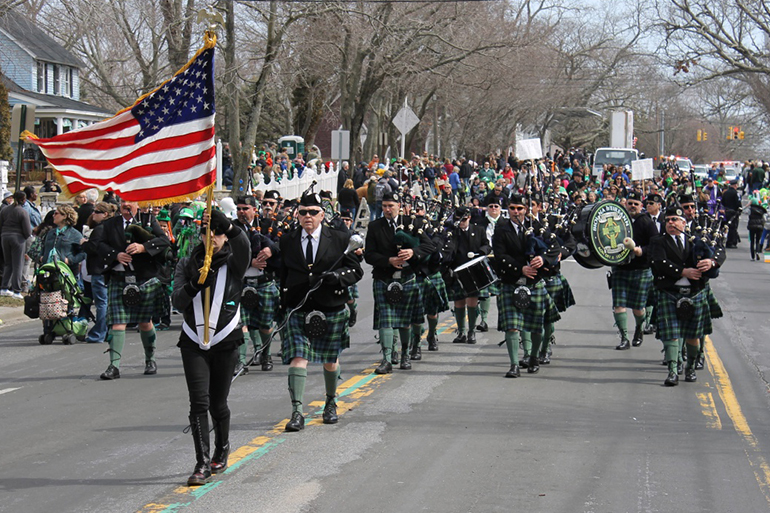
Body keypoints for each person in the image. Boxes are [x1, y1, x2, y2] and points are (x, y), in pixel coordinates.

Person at [172, 208, 249, 486]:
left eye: (216, 233)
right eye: (207, 232)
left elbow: (243, 245)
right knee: (199, 402)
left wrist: (228, 227)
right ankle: (201, 462)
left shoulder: (235, 262)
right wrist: (194, 284)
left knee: (218, 403)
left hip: (226, 340)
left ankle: (222, 446)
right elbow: (177, 301)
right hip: (193, 340)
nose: (212, 237)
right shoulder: (187, 262)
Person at [279, 192, 363, 432]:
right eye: (303, 212)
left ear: (322, 215)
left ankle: (330, 402)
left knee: (330, 360)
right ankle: (297, 412)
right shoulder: (288, 240)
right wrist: (282, 304)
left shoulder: (339, 238)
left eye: (313, 212)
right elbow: (283, 274)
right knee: (298, 358)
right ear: (298, 215)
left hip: (330, 306)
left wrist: (336, 277)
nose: (308, 217)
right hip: (299, 307)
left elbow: (356, 271)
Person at [91, 201, 170, 380]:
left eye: (130, 202)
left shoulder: (147, 220)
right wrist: (115, 255)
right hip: (119, 278)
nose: (126, 205)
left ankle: (150, 359)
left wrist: (143, 248)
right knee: (117, 323)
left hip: (143, 279)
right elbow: (98, 244)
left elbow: (164, 241)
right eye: (123, 201)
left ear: (137, 204)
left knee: (145, 322)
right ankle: (114, 366)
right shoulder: (110, 224)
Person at [649, 205, 719, 386]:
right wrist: (683, 272)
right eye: (668, 220)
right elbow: (659, 262)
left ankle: (690, 368)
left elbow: (719, 251)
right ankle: (673, 370)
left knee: (692, 335)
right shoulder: (658, 241)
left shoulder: (696, 240)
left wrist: (711, 261)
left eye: (675, 220)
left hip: (694, 293)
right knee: (671, 334)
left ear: (683, 222)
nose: (671, 223)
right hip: (670, 292)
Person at [365, 192, 434, 374]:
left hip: (407, 277)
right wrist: (388, 260)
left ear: (399, 206)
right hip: (383, 277)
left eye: (391, 206)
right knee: (385, 321)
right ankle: (387, 359)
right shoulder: (374, 226)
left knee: (405, 321)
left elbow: (430, 246)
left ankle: (405, 355)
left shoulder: (412, 223)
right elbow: (369, 254)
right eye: (385, 206)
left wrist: (413, 252)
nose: (387, 209)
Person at [493, 193, 560, 378]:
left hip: (534, 283)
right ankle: (514, 364)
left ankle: (533, 357)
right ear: (508, 209)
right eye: (513, 208)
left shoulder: (536, 227)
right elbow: (500, 255)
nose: (516, 212)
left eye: (520, 208)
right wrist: (520, 268)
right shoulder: (501, 229)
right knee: (512, 326)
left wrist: (543, 258)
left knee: (536, 325)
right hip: (511, 281)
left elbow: (555, 246)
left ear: (526, 210)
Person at [232, 195, 279, 375]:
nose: (242, 212)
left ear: (254, 210)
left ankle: (266, 355)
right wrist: (249, 262)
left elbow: (286, 242)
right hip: (241, 283)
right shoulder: (233, 228)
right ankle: (241, 362)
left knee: (266, 325)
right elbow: (225, 251)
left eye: (245, 208)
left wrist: (270, 249)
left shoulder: (269, 225)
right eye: (239, 208)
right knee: (240, 323)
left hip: (264, 282)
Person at [609, 191, 657, 350]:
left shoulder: (647, 223)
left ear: (641, 206)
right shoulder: (617, 220)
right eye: (630, 203)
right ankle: (624, 338)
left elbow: (655, 245)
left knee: (638, 307)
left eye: (636, 204)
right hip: (620, 269)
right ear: (625, 204)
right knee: (619, 305)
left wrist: (641, 251)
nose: (632, 206)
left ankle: (639, 329)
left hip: (640, 269)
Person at [446, 206, 491, 345]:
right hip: (457, 270)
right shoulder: (452, 232)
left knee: (472, 300)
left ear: (469, 218)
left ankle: (471, 331)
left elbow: (487, 245)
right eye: (458, 219)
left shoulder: (478, 230)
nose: (461, 222)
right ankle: (461, 332)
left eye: (464, 219)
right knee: (459, 301)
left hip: (473, 270)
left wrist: (481, 252)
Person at [80, 202, 117, 343]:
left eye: (96, 211)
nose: (93, 214)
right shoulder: (112, 228)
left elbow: (94, 248)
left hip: (99, 269)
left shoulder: (100, 229)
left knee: (102, 303)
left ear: (105, 214)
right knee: (106, 302)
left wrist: (84, 243)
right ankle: (107, 331)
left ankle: (99, 333)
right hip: (107, 269)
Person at [0, 191, 31, 298]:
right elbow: (27, 231)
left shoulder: (4, 210)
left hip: (5, 237)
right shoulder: (22, 212)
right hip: (18, 238)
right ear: (23, 199)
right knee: (18, 264)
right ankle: (16, 290)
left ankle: (4, 287)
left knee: (8, 263)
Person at [40, 205, 85, 270]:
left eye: (56, 213)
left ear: (64, 216)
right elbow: (43, 247)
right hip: (48, 270)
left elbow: (83, 253)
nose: (53, 216)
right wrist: (42, 258)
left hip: (65, 271)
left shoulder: (75, 234)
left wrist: (70, 260)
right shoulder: (51, 232)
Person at [721, 179, 741, 248]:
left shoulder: (726, 193)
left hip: (726, 211)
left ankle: (726, 241)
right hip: (734, 212)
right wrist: (739, 210)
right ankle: (731, 242)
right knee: (733, 227)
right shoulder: (736, 193)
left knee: (727, 227)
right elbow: (738, 203)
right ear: (735, 185)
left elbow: (722, 201)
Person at [747, 197, 766, 261]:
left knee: (752, 241)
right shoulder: (761, 210)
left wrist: (748, 205)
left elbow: (745, 212)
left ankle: (753, 256)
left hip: (752, 225)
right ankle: (757, 252)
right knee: (758, 241)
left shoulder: (751, 209)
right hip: (760, 226)